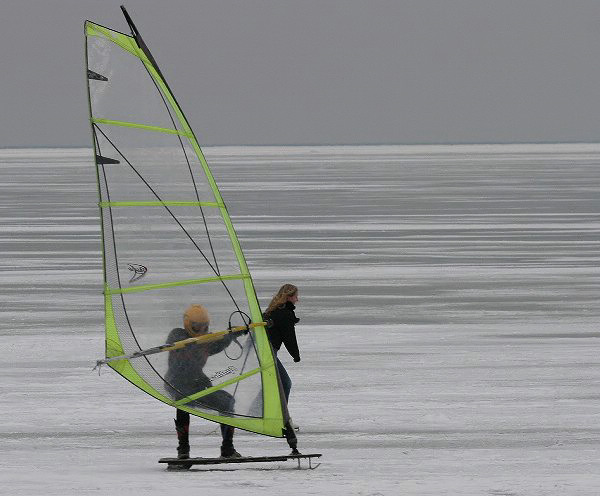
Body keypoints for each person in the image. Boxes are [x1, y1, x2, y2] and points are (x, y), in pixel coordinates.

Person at [164, 304, 241, 460]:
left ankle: (228, 448)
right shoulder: (177, 335)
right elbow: (188, 343)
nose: (201, 330)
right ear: (187, 324)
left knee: (227, 402)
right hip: (177, 383)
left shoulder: (207, 341)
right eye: (197, 327)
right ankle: (183, 450)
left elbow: (220, 342)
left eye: (204, 327)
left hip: (197, 383)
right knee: (183, 402)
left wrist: (233, 334)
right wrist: (206, 339)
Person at [263, 284, 301, 406]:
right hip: (268, 352)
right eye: (296, 296)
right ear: (289, 297)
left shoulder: (272, 309)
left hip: (261, 350)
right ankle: (282, 418)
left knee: (268, 385)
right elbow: (289, 337)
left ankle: (260, 414)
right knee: (285, 383)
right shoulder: (285, 313)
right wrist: (296, 355)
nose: (297, 299)